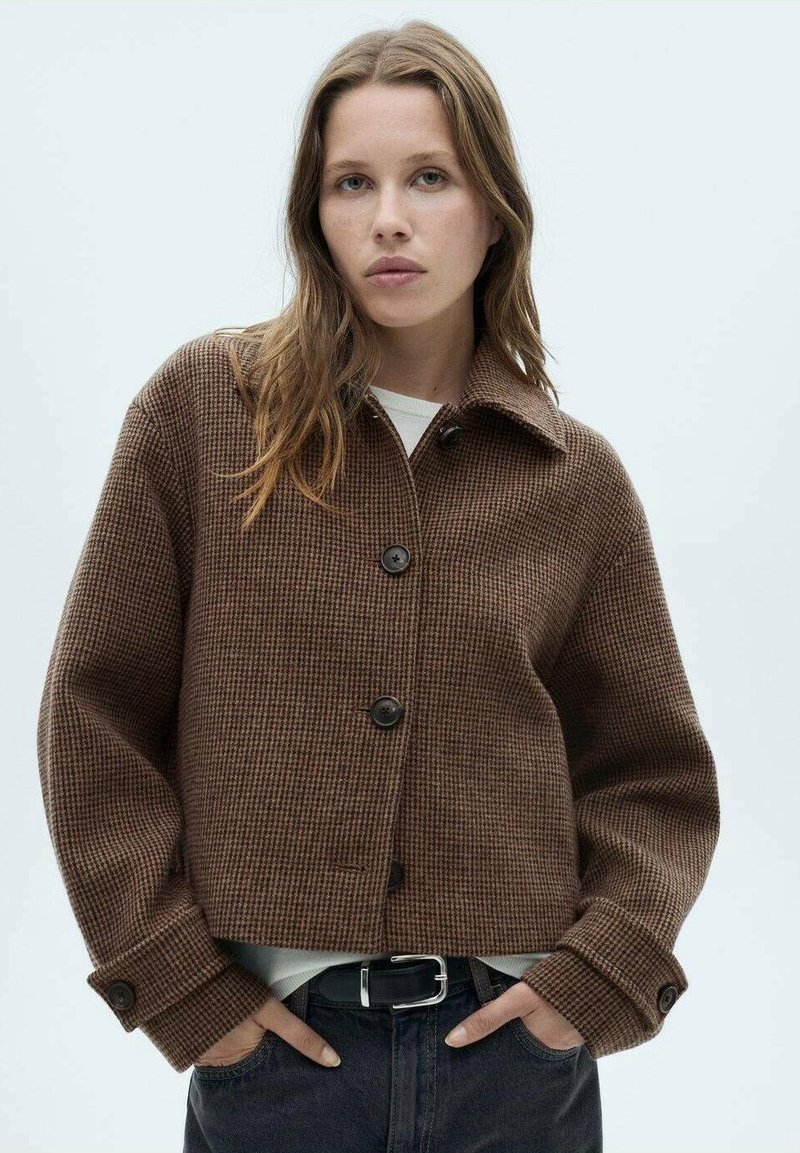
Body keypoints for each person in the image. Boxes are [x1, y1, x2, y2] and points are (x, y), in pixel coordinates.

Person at [36, 19, 720, 1153]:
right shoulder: (203, 413)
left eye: (429, 178)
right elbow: (93, 719)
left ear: (493, 211)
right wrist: (184, 990)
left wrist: (592, 983)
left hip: (513, 1066)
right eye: (352, 182)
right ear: (313, 212)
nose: (388, 218)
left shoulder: (570, 477)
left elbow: (653, 774)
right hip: (276, 1056)